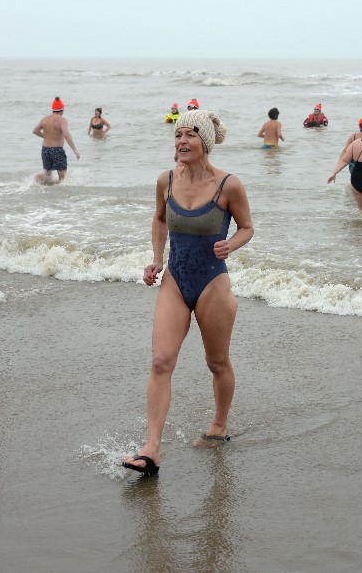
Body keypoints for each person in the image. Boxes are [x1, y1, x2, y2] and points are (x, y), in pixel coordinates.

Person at [122, 109, 253, 476]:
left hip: (213, 282)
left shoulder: (229, 185)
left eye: (191, 135)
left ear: (205, 143)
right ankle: (151, 449)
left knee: (216, 363)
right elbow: (160, 219)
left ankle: (220, 425)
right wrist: (155, 259)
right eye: (178, 135)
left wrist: (232, 245)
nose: (182, 142)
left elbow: (246, 227)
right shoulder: (165, 180)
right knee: (161, 360)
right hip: (176, 280)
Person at [33, 96, 80, 183]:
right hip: (56, 150)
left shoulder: (44, 119)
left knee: (47, 174)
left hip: (45, 149)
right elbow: (66, 134)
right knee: (62, 176)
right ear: (62, 110)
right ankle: (60, 193)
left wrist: (46, 136)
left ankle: (37, 179)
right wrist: (74, 150)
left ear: (53, 109)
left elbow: (35, 131)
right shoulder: (62, 120)